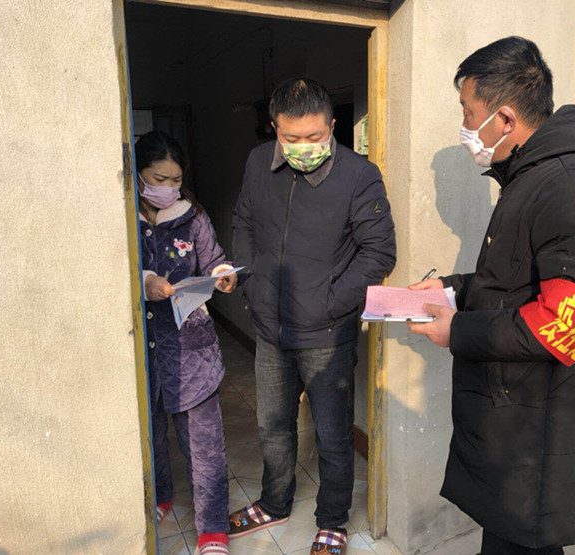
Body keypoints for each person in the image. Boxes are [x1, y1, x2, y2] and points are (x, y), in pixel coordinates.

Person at [408, 37, 575, 554]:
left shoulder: (570, 183)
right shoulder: (532, 173)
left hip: (538, 441)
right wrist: (452, 288)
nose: (465, 126)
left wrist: (457, 331)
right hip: (516, 427)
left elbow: (569, 323)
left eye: (469, 113)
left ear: (505, 119)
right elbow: (516, 280)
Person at [230, 78, 396, 555]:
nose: (304, 147)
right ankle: (274, 502)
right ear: (274, 129)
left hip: (327, 332)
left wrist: (329, 302)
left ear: (332, 126)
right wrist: (249, 278)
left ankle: (332, 522)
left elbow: (379, 251)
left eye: (315, 136)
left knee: (332, 435)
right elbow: (244, 222)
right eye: (292, 138)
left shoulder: (359, 175)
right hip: (270, 328)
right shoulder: (257, 163)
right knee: (273, 427)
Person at [136, 131, 238, 555]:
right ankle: (160, 495)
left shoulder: (193, 216)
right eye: (159, 179)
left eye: (176, 180)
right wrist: (146, 282)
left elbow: (213, 259)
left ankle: (212, 527)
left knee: (205, 443)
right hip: (142, 345)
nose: (169, 188)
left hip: (191, 345)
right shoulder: (122, 215)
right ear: (138, 174)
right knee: (149, 434)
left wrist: (223, 273)